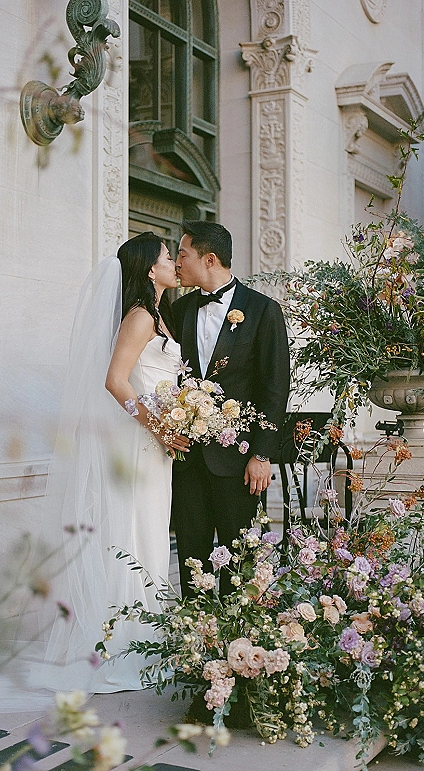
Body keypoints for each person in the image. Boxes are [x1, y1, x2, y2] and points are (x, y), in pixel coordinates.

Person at [34, 232, 187, 694]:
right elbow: (115, 381)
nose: (174, 264)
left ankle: (146, 638)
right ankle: (124, 646)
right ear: (148, 269)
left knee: (151, 534)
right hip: (140, 443)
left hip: (155, 445)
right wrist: (159, 426)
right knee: (134, 535)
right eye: (167, 257)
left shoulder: (160, 316)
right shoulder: (140, 317)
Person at [171, 220, 290, 597]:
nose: (176, 262)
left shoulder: (262, 310)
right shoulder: (179, 310)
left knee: (241, 560)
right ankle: (196, 642)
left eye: (182, 254)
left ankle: (240, 644)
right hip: (187, 459)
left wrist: (261, 454)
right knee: (192, 556)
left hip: (240, 462)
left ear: (209, 259)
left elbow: (275, 387)